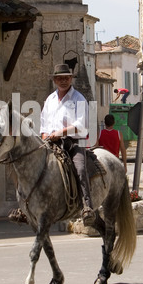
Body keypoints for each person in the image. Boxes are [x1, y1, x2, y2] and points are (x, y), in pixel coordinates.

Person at [40, 63, 96, 226]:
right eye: (60, 78)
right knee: (34, 166)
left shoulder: (79, 98)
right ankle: (28, 206)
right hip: (50, 142)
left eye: (66, 78)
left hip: (73, 142)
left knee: (80, 168)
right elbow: (43, 122)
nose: (63, 81)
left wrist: (60, 133)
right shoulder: (50, 99)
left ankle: (87, 206)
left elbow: (81, 125)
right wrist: (44, 134)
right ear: (55, 80)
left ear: (71, 79)